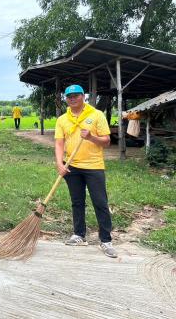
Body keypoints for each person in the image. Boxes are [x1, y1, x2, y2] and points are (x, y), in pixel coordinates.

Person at [54, 84, 117, 258]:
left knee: (100, 202)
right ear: (66, 99)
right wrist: (60, 163)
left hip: (94, 166)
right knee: (77, 201)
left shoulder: (96, 115)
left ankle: (106, 240)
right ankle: (79, 234)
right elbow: (59, 143)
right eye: (69, 96)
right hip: (72, 166)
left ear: (84, 97)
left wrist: (91, 137)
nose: (72, 98)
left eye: (76, 95)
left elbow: (106, 141)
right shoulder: (62, 120)